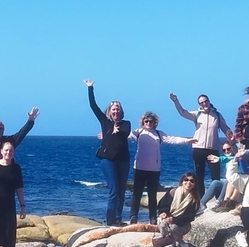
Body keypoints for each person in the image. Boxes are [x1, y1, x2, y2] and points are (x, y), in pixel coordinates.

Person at [128, 111, 197, 224]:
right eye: (146, 121)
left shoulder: (159, 134)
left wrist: (186, 140)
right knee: (137, 193)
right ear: (143, 122)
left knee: (152, 194)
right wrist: (107, 134)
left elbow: (172, 139)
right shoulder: (138, 132)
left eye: (151, 121)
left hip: (154, 169)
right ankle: (133, 217)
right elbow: (122, 135)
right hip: (139, 168)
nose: (149, 123)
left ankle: (152, 217)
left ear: (155, 123)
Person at [84, 80, 131, 226]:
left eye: (117, 109)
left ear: (121, 111)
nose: (115, 111)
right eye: (113, 109)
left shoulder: (126, 123)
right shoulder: (104, 121)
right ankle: (111, 221)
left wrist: (117, 132)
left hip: (123, 160)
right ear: (109, 111)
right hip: (107, 160)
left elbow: (125, 133)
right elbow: (93, 106)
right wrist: (90, 88)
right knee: (114, 190)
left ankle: (118, 218)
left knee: (122, 191)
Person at [169, 92, 233, 199]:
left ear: (209, 101)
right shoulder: (197, 114)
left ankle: (219, 200)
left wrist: (233, 139)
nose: (204, 104)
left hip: (213, 149)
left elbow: (225, 129)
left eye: (205, 101)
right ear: (199, 104)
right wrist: (176, 101)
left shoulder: (217, 115)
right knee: (199, 177)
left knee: (215, 177)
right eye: (201, 102)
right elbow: (183, 112)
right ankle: (200, 201)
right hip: (198, 149)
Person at [151, 173, 200, 247]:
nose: (188, 183)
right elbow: (162, 205)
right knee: (161, 222)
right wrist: (163, 213)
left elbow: (189, 217)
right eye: (186, 180)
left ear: (195, 184)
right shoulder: (173, 192)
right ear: (182, 181)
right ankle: (171, 241)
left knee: (174, 227)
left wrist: (174, 220)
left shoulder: (194, 199)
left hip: (183, 224)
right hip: (169, 218)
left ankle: (176, 240)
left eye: (191, 181)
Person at [200, 141, 239, 213]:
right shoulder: (228, 162)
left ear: (233, 148)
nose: (227, 151)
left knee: (228, 180)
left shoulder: (238, 159)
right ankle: (201, 204)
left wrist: (220, 159)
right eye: (224, 150)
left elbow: (234, 158)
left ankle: (220, 201)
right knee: (215, 182)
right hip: (228, 188)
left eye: (228, 149)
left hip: (237, 188)